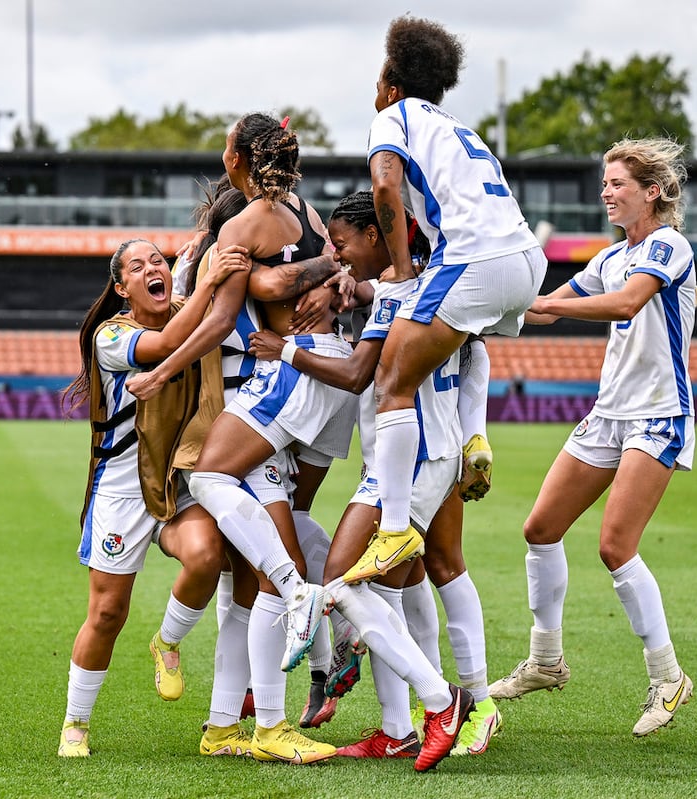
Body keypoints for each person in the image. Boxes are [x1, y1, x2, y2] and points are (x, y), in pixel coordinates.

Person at [127, 112, 353, 764]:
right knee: (255, 583)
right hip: (246, 403)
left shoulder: (239, 230)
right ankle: (252, 721)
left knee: (255, 585)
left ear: (238, 162)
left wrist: (166, 363)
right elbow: (267, 284)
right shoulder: (295, 223)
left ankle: (231, 725)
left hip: (250, 401)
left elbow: (231, 307)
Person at [250, 190, 484, 771]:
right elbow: (472, 351)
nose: (337, 253)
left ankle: (442, 703)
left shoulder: (401, 293)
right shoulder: (430, 287)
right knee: (388, 590)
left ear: (379, 237)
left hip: (408, 462)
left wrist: (286, 351)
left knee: (343, 584)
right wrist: (346, 286)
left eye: (344, 242)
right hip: (423, 455)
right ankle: (399, 728)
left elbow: (358, 374)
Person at [489, 138, 697, 738]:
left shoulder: (668, 246)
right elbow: (548, 306)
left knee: (615, 546)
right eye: (604, 184)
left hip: (658, 414)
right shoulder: (610, 257)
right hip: (610, 414)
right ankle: (547, 661)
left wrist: (547, 308)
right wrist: (481, 303)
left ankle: (668, 677)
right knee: (540, 529)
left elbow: (629, 305)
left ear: (651, 191)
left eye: (617, 184)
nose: (606, 192)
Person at [344, 15, 546, 585]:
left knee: (391, 378)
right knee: (462, 337)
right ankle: (474, 432)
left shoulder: (393, 117)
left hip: (474, 258)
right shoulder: (463, 130)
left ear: (390, 82)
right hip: (525, 259)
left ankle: (393, 528)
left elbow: (385, 186)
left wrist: (404, 271)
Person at [55, 238, 248, 758]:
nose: (151, 270)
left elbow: (214, 318)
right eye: (137, 267)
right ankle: (76, 722)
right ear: (121, 288)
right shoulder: (111, 336)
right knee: (107, 612)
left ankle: (166, 643)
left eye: (157, 261)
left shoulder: (187, 310)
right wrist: (203, 279)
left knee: (208, 555)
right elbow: (163, 350)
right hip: (120, 491)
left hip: (178, 481)